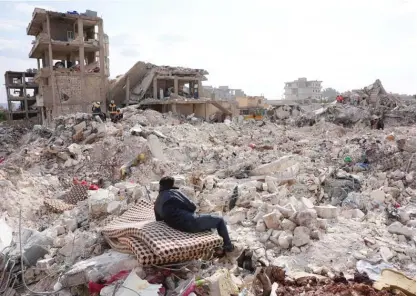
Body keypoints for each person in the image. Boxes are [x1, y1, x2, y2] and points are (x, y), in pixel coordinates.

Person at [154, 176, 234, 255]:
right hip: (190, 223)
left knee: (207, 223)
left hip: (176, 225)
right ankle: (228, 247)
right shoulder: (174, 193)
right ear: (172, 184)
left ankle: (217, 249)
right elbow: (192, 207)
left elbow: (159, 219)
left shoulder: (157, 201)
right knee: (219, 220)